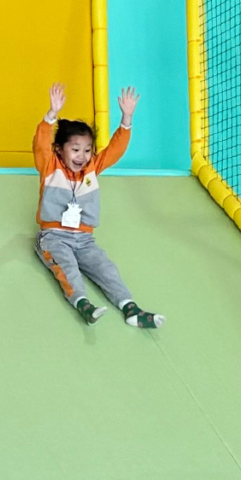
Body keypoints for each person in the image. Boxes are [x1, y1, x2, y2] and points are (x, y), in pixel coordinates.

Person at [33, 82, 163, 328]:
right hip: (53, 237)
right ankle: (83, 304)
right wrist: (51, 115)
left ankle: (130, 308)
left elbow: (114, 150)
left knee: (106, 268)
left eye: (87, 150)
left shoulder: (91, 168)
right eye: (75, 149)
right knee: (67, 267)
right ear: (59, 150)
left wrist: (126, 119)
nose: (81, 156)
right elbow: (40, 144)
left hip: (85, 239)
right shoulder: (50, 166)